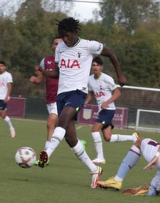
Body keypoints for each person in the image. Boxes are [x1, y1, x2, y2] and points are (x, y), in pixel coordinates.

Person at [37, 17, 126, 189]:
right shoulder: (61, 48)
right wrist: (44, 73)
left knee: (61, 121)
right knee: (71, 139)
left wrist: (120, 74)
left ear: (75, 32)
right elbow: (57, 72)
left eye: (67, 35)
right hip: (61, 94)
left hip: (77, 93)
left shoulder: (89, 45)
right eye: (62, 36)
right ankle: (94, 170)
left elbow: (111, 54)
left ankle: (46, 153)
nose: (65, 39)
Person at [84, 56, 138, 164]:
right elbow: (91, 94)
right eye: (93, 65)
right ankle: (133, 138)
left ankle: (100, 157)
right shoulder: (89, 79)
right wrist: (86, 102)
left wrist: (106, 103)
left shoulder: (107, 79)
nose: (95, 67)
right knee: (108, 137)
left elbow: (118, 93)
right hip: (102, 110)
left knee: (94, 130)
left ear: (101, 67)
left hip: (108, 109)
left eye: (97, 65)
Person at [30, 37, 63, 165]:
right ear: (52, 46)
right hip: (49, 99)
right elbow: (40, 79)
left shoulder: (66, 61)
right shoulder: (45, 61)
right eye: (55, 44)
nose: (56, 46)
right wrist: (35, 79)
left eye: (59, 44)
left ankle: (46, 154)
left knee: (50, 124)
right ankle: (78, 142)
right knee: (63, 129)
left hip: (61, 99)